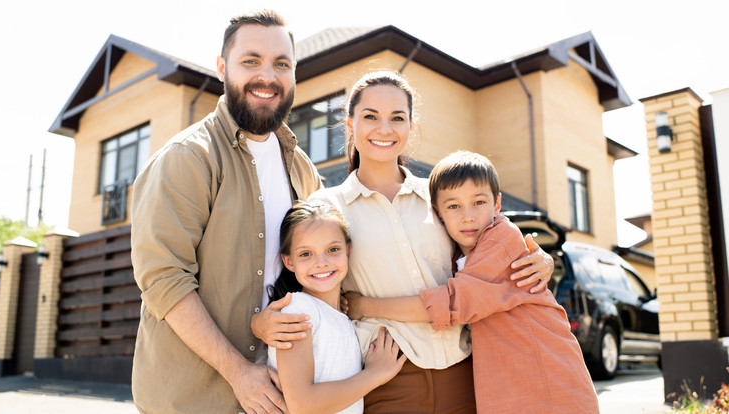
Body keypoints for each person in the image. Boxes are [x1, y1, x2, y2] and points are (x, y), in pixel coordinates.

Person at [252, 71, 555, 413]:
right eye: (370, 117)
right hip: (388, 380)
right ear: (350, 123)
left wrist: (542, 260)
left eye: (397, 118)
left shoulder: (441, 197)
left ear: (411, 125)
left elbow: (491, 247)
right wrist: (259, 323)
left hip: (465, 372)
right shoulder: (325, 206)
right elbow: (297, 282)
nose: (385, 129)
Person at [130, 10, 322, 414]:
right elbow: (164, 279)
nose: (267, 76)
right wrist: (239, 372)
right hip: (193, 401)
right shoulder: (189, 158)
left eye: (281, 64)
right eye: (250, 61)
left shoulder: (301, 167)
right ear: (222, 67)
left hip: (280, 395)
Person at [345, 151, 600, 413]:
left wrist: (364, 306)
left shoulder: (501, 238)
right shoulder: (459, 254)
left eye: (479, 202)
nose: (468, 216)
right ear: (438, 213)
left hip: (546, 378)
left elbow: (455, 303)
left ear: (497, 204)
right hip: (512, 381)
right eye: (454, 206)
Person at [266, 201, 406, 414]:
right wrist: (374, 374)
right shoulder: (298, 309)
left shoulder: (340, 317)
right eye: (306, 254)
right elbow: (302, 404)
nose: (321, 262)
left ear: (348, 251)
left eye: (333, 249)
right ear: (289, 262)